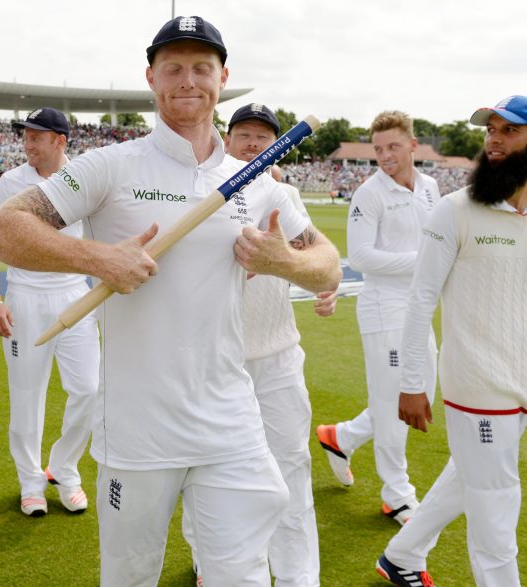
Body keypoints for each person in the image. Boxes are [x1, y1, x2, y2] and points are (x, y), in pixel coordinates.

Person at [0, 16, 342, 586]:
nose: (188, 80)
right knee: (130, 576)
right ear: (151, 76)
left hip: (230, 421)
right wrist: (99, 260)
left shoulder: (256, 178)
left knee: (242, 575)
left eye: (202, 67)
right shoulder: (112, 166)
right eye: (173, 67)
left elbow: (327, 265)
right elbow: (1, 231)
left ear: (224, 77)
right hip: (139, 429)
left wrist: (285, 263)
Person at [375, 96, 527, 587]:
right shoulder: (454, 211)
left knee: (467, 480)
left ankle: (401, 557)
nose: (493, 139)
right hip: (474, 388)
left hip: (522, 387)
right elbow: (419, 298)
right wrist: (412, 383)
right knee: (496, 512)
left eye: (508, 131)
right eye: (490, 130)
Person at [185, 102, 339, 586]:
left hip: (276, 356)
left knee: (291, 464)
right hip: (213, 359)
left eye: (264, 136)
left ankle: (298, 576)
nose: (254, 143)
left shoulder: (282, 194)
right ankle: (206, 560)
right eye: (245, 134)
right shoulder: (200, 190)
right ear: (226, 141)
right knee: (203, 471)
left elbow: (318, 256)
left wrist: (323, 282)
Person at [316, 111, 440, 525]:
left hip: (421, 309)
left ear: (412, 146)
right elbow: (364, 258)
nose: (385, 156)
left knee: (419, 393)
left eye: (393, 147)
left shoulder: (431, 187)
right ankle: (397, 495)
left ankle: (341, 437)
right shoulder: (368, 194)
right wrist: (424, 262)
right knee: (392, 406)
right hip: (385, 311)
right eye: (378, 149)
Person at [0, 107, 99, 517]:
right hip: (25, 296)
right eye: (25, 136)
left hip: (74, 294)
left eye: (36, 136)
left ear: (59, 141)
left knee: (89, 390)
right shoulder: (11, 181)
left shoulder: (83, 175)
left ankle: (64, 468)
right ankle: (30, 481)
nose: (27, 143)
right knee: (27, 396)